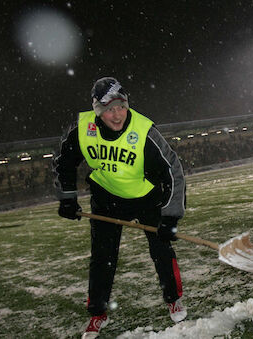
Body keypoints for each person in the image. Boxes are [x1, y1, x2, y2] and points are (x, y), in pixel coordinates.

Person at [54, 77, 187, 338]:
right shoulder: (83, 128)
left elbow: (174, 171)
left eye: (122, 107)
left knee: (161, 249)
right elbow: (64, 161)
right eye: (110, 109)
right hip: (105, 198)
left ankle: (173, 299)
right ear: (98, 110)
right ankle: (97, 314)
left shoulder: (144, 130)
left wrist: (170, 216)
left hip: (145, 195)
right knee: (102, 257)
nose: (118, 115)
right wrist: (67, 198)